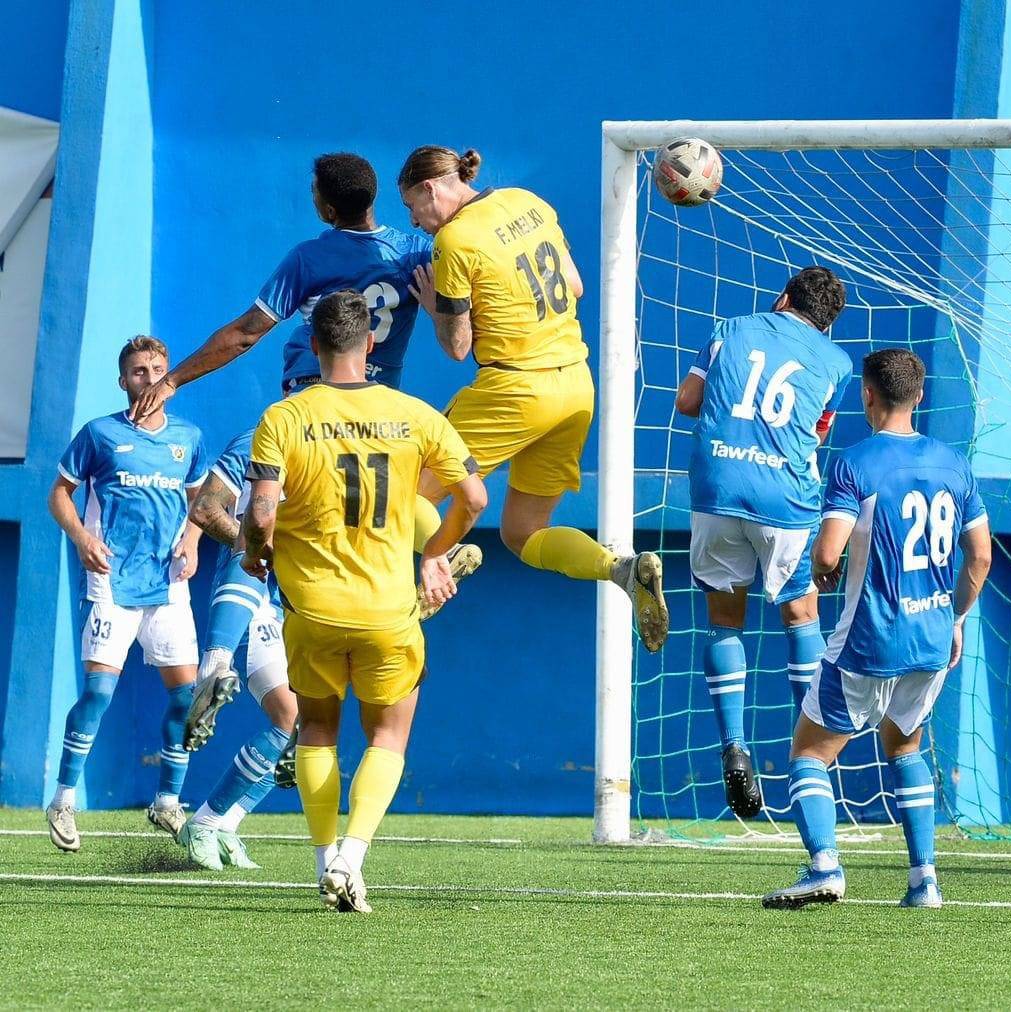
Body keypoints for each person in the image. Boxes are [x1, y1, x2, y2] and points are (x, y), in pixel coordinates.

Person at [127, 152, 478, 618]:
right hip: (378, 422)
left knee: (213, 505)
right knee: (391, 497)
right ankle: (438, 551)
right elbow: (467, 293)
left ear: (327, 209)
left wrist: (174, 379)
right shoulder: (414, 253)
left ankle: (269, 572)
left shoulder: (310, 259)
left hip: (310, 410)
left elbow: (245, 333)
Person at [241, 290, 487, 912]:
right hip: (388, 611)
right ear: (371, 343)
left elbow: (261, 513)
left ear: (314, 345)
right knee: (388, 734)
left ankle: (326, 860)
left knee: (317, 728)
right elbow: (475, 499)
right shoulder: (416, 414)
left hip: (311, 609)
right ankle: (352, 857)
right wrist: (435, 553)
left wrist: (255, 554)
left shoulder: (284, 418)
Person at [398, 145, 665, 651]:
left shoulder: (453, 241)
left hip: (513, 390)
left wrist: (436, 308)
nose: (415, 221)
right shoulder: (527, 201)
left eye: (412, 206)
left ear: (430, 188)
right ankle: (621, 569)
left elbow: (458, 348)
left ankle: (441, 555)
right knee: (523, 533)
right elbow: (576, 286)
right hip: (575, 388)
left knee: (398, 488)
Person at [762, 349, 991, 910]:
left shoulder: (855, 463)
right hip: (932, 637)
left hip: (870, 638)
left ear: (867, 395)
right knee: (905, 747)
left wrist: (824, 568)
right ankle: (924, 881)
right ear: (919, 395)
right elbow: (981, 557)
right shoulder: (954, 464)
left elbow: (827, 552)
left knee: (809, 754)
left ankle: (824, 868)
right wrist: (957, 618)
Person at [673, 267, 853, 819]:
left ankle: (734, 745)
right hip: (785, 497)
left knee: (725, 619)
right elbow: (816, 431)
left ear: (782, 298)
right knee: (800, 613)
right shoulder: (837, 362)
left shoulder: (730, 327)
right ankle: (810, 756)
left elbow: (686, 400)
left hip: (717, 484)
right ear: (827, 322)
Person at [43, 337, 208, 851]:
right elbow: (59, 494)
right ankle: (63, 800)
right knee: (98, 693)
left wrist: (194, 538)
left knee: (186, 698)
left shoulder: (188, 437)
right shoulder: (99, 434)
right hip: (112, 582)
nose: (150, 378)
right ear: (124, 381)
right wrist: (81, 537)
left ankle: (168, 802)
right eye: (139, 371)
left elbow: (202, 500)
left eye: (158, 369)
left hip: (168, 584)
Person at [170, 427, 296, 870]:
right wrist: (259, 545)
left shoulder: (330, 445)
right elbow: (206, 507)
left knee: (298, 726)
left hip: (286, 598)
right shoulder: (260, 439)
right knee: (290, 717)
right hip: (249, 587)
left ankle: (223, 824)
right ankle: (213, 671)